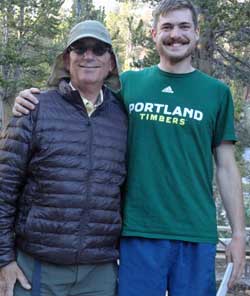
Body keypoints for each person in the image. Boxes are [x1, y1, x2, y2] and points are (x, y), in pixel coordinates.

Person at [12, 1, 246, 295]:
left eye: (184, 27)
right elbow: (83, 94)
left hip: (195, 233)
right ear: (153, 34)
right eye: (167, 27)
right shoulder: (129, 85)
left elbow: (226, 166)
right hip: (138, 233)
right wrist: (31, 97)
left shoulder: (217, 93)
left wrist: (238, 233)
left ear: (197, 35)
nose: (176, 35)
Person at [0, 20, 127, 296]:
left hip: (100, 272)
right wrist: (4, 260)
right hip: (37, 270)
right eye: (79, 48)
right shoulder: (34, 109)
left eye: (99, 49)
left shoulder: (124, 117)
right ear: (66, 60)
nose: (88, 55)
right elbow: (4, 189)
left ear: (111, 63)